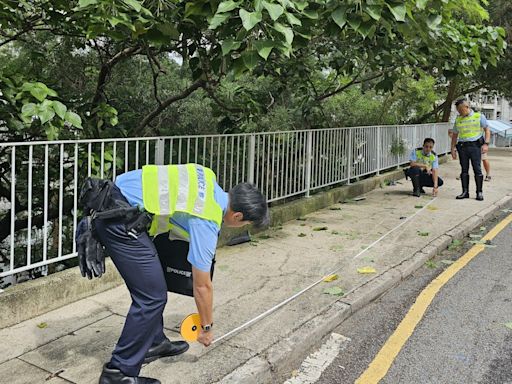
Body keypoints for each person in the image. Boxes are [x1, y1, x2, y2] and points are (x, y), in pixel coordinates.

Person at [79, 164, 269, 384]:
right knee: (151, 297)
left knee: (154, 288)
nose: (240, 226)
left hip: (113, 199)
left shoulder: (207, 177)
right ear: (237, 216)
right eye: (245, 223)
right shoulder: (206, 218)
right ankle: (118, 373)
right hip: (118, 218)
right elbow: (202, 286)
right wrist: (206, 328)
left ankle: (154, 341)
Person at [451, 99, 491, 201]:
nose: (459, 112)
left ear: (467, 107)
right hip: (462, 147)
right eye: (458, 110)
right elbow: (455, 135)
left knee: (477, 169)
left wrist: (486, 144)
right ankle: (465, 192)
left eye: (460, 109)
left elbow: (487, 130)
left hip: (475, 146)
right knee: (464, 170)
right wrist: (452, 148)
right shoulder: (458, 119)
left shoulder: (479, 116)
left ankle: (479, 192)